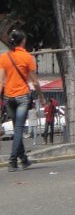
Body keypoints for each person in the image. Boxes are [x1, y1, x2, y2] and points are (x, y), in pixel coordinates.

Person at [0, 29, 45, 172]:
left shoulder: (4, 57)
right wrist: (41, 96)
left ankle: (24, 159)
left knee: (16, 126)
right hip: (22, 97)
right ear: (23, 41)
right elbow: (35, 82)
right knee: (19, 128)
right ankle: (13, 161)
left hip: (8, 97)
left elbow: (1, 81)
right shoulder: (27, 57)